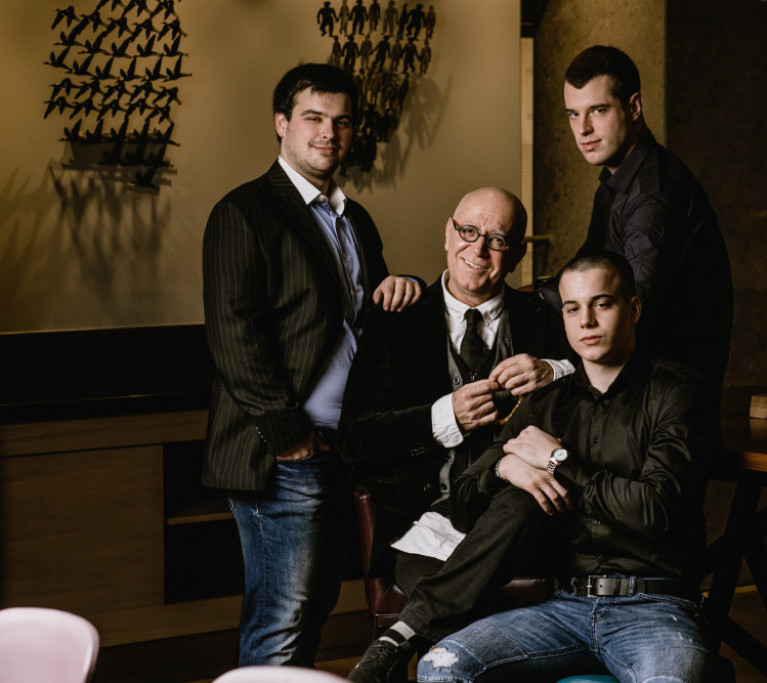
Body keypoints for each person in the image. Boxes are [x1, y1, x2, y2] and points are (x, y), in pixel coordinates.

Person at [201, 62, 421, 667]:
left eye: (342, 122)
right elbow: (235, 336)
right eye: (314, 118)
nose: (329, 133)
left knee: (316, 608)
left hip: (343, 448)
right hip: (284, 454)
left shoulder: (355, 220)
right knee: (282, 619)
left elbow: (364, 323)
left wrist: (400, 286)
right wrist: (288, 436)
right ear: (282, 124)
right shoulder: (244, 212)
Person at [418, 251, 717, 683]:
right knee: (440, 667)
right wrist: (504, 468)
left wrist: (558, 462)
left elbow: (655, 511)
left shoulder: (677, 391)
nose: (586, 322)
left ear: (633, 309)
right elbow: (463, 506)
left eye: (602, 304)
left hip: (657, 608)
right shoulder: (544, 405)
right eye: (573, 309)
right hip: (565, 607)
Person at [338, 187, 573, 683]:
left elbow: (608, 375)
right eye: (468, 231)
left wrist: (554, 369)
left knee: (470, 592)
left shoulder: (546, 319)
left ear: (517, 254)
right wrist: (441, 417)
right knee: (467, 607)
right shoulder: (395, 318)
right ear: (448, 234)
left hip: (515, 518)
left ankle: (397, 641)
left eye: (497, 239)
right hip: (425, 520)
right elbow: (355, 438)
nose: (478, 248)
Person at [552, 45, 733, 395]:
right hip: (635, 385)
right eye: (573, 114)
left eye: (598, 110)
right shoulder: (616, 183)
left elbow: (626, 317)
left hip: (664, 400)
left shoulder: (654, 195)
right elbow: (580, 275)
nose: (583, 129)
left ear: (634, 107)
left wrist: (554, 367)